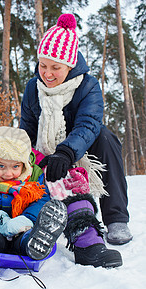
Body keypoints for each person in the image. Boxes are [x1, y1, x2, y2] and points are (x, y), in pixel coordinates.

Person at [19, 13, 133, 246]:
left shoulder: (87, 85)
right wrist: (24, 154)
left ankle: (116, 219)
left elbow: (88, 124)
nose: (47, 74)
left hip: (79, 151)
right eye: (43, 65)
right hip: (47, 154)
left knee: (106, 137)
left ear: (70, 66)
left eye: (55, 67)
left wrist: (66, 151)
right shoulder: (33, 88)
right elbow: (27, 130)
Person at [0, 126, 122, 268]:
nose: (8, 173)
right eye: (1, 166)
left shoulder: (33, 174)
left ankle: (38, 243)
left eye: (15, 166)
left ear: (25, 163)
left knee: (29, 237)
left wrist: (26, 219)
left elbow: (41, 200)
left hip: (23, 229)